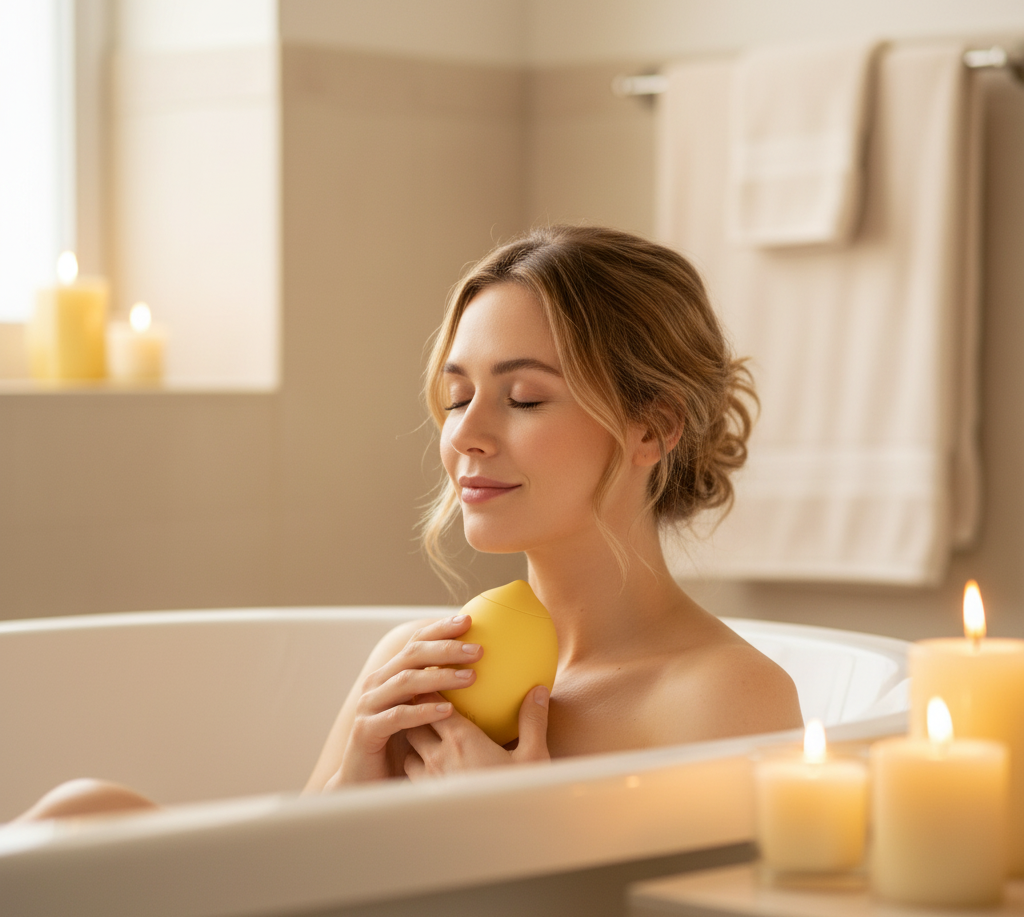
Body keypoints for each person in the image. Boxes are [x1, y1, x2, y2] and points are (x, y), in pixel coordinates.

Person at [16, 225, 801, 821]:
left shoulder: (725, 698)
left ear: (652, 427)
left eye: (523, 398)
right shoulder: (418, 665)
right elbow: (293, 889)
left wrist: (524, 826)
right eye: (457, 397)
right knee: (88, 811)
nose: (464, 433)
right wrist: (352, 775)